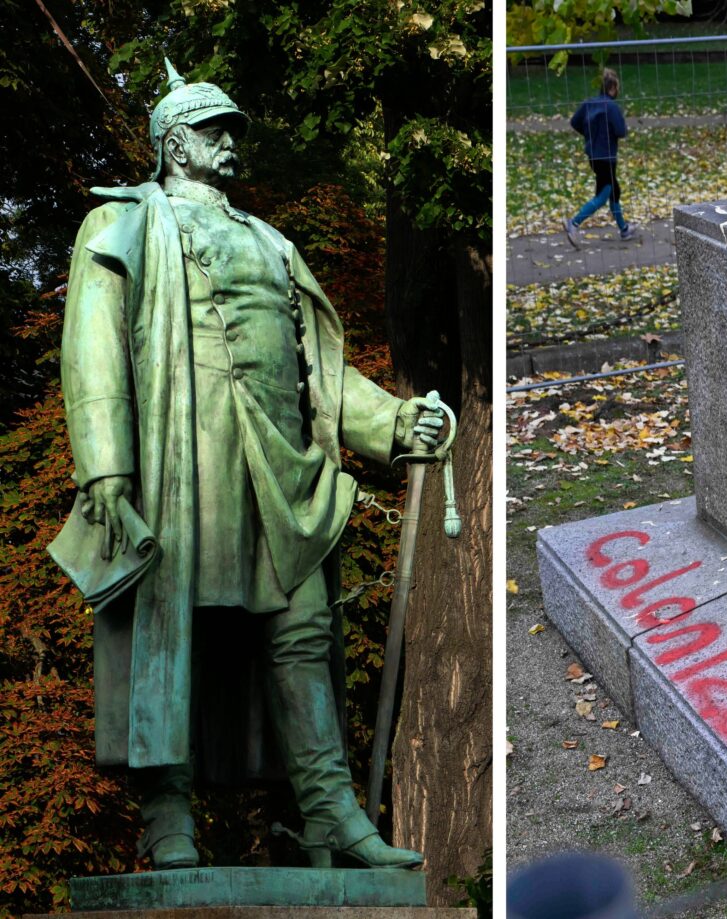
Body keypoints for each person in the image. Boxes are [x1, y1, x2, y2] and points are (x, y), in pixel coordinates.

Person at [55, 61, 443, 871]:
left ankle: (332, 810)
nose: (230, 143)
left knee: (304, 627)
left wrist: (397, 420)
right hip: (176, 454)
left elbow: (320, 378)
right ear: (174, 144)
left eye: (233, 130)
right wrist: (105, 471)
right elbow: (91, 350)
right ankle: (167, 815)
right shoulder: (123, 222)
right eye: (212, 130)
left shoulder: (271, 241)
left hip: (278, 463)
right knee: (173, 630)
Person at [564, 68, 637, 247]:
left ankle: (624, 229)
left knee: (614, 191)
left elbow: (574, 122)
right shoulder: (611, 107)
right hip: (607, 156)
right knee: (604, 194)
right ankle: (573, 223)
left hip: (593, 155)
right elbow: (621, 131)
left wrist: (590, 135)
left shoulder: (589, 103)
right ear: (612, 87)